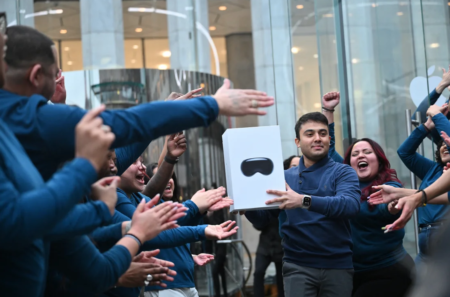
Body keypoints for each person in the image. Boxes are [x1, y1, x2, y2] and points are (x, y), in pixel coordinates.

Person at [245, 112, 361, 297]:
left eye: (323, 133)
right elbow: (263, 220)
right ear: (297, 142)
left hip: (338, 266)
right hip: (297, 266)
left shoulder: (343, 172)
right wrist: (247, 206)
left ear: (329, 139)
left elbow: (349, 205)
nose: (317, 138)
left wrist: (302, 200)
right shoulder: (282, 177)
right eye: (310, 134)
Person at [322, 92, 414, 297]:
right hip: (353, 273)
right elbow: (328, 151)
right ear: (349, 164)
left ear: (379, 160)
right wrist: (328, 110)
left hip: (390, 271)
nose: (360, 156)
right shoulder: (346, 183)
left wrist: (392, 207)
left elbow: (388, 207)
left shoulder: (388, 185)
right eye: (355, 154)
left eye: (367, 152)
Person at [112, 158, 237, 297]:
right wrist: (196, 213)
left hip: (185, 283)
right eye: (133, 161)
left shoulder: (136, 198)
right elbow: (158, 233)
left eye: (171, 177)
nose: (167, 181)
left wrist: (190, 256)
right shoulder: (118, 198)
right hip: (166, 285)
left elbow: (172, 228)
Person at [395, 102, 450, 265]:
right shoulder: (432, 169)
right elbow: (404, 152)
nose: (445, 147)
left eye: (447, 143)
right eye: (441, 144)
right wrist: (427, 125)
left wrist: (437, 113)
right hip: (425, 243)